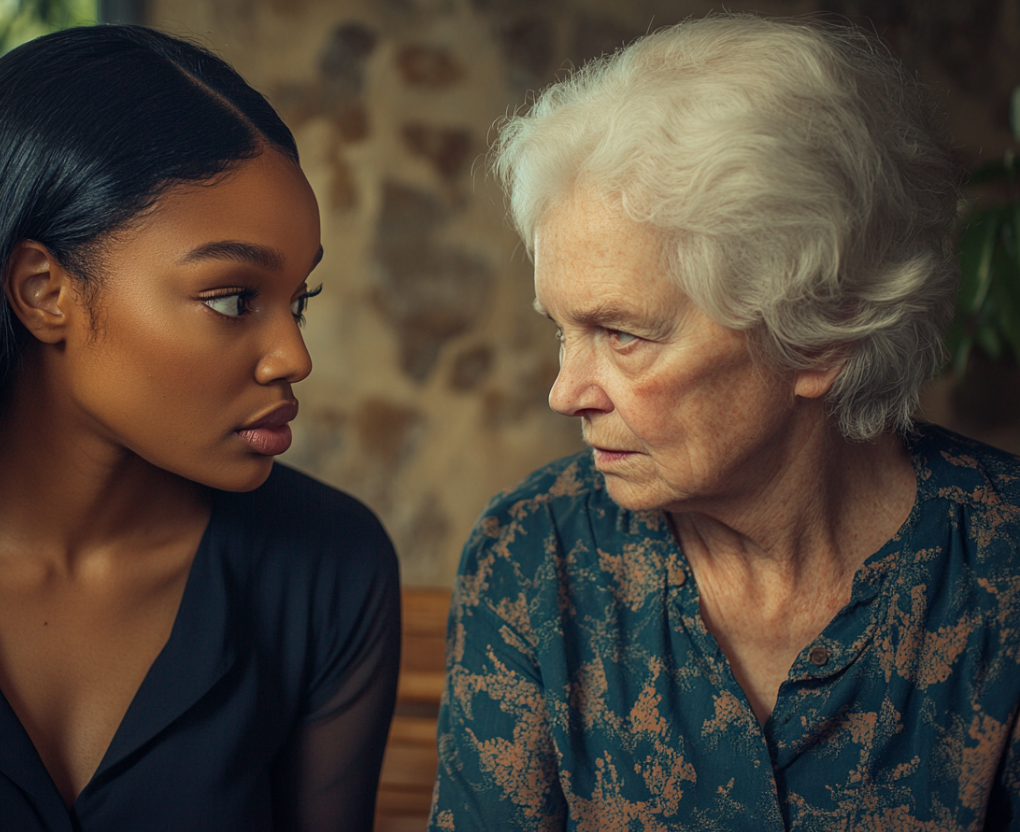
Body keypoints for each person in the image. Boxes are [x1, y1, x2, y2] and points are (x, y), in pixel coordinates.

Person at [0, 25, 400, 831]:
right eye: (234, 298)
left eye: (297, 300)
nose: (292, 356)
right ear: (42, 291)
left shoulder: (329, 571)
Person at [430, 14, 1020, 831]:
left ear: (819, 328)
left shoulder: (1001, 572)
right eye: (560, 329)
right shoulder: (535, 556)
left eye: (622, 334)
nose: (566, 392)